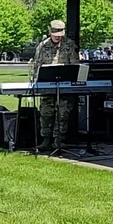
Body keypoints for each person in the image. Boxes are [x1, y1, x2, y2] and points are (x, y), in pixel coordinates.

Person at [32, 19, 79, 149]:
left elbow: (75, 66)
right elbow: (37, 66)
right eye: (55, 33)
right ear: (50, 32)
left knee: (62, 115)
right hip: (47, 88)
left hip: (64, 88)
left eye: (60, 34)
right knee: (46, 114)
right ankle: (46, 140)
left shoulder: (69, 45)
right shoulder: (42, 46)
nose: (57, 36)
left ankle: (58, 141)